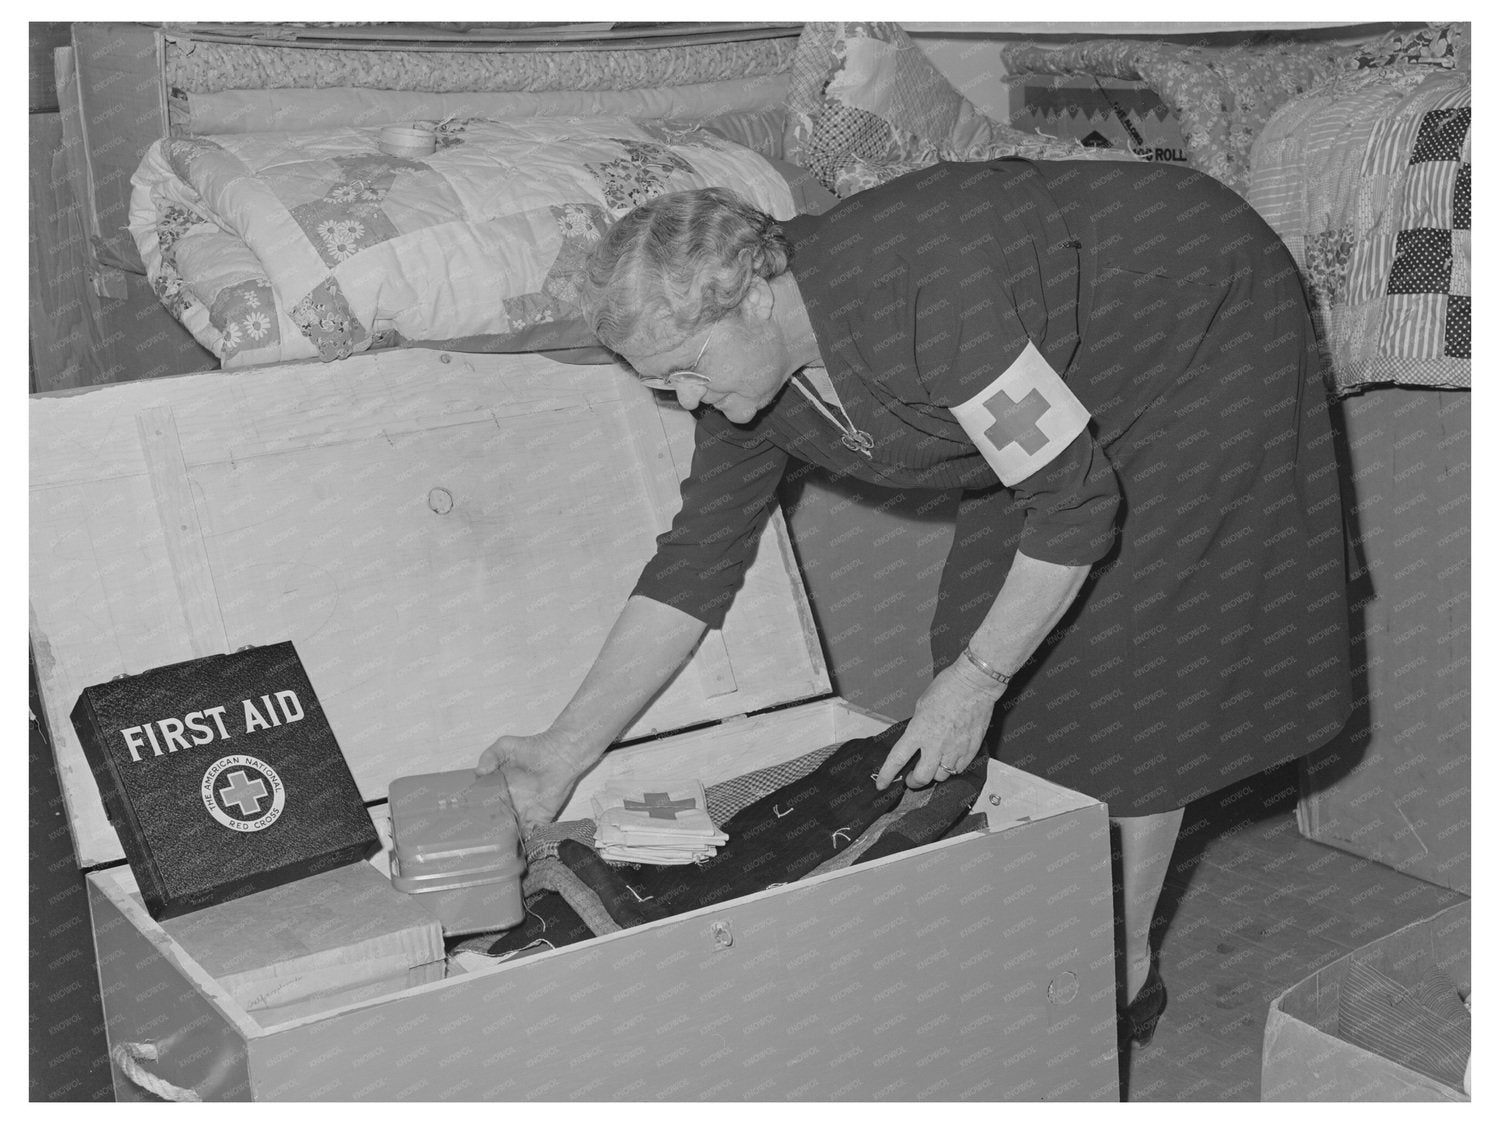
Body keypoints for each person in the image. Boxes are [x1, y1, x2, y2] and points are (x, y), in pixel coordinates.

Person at [477, 158, 1351, 1049]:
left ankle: (1109, 982)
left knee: (1122, 669)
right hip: (1056, 360)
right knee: (985, 636)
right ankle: (1043, 929)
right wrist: (560, 752)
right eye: (661, 386)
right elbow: (695, 563)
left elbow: (1076, 502)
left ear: (753, 298)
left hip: (1189, 316)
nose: (687, 400)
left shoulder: (927, 292)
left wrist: (978, 678)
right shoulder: (746, 385)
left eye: (689, 371)